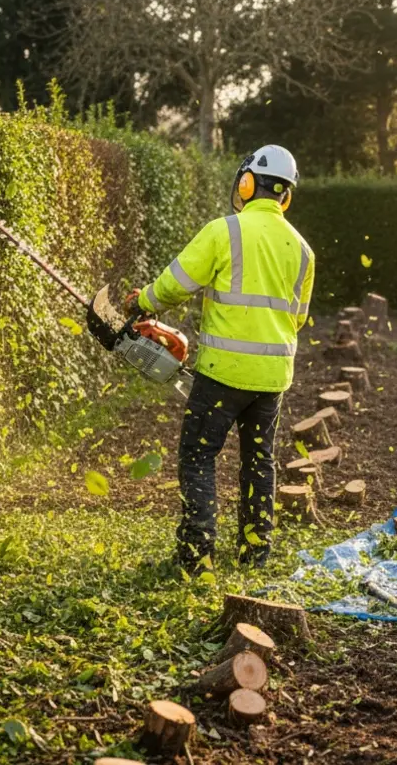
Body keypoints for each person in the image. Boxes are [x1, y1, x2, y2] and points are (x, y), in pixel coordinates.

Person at [129, 145, 314, 571]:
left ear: (247, 183)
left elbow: (175, 285)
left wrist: (141, 301)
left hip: (221, 376)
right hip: (271, 381)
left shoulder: (224, 231)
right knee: (259, 461)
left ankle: (197, 554)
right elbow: (298, 319)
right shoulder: (304, 251)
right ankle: (254, 552)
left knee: (198, 455)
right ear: (286, 196)